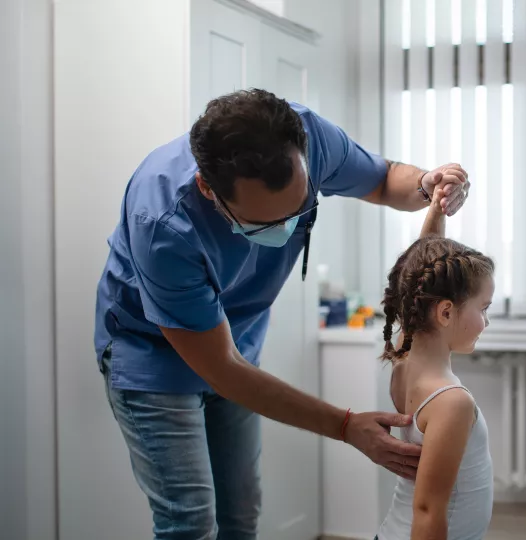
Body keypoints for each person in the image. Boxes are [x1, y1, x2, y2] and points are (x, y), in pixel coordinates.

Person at [93, 88, 470, 539]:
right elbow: (224, 369)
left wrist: (428, 184)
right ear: (207, 190)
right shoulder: (162, 225)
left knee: (242, 510)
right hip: (152, 355)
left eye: (298, 209)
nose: (288, 226)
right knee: (189, 520)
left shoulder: (306, 134)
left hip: (235, 341)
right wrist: (347, 427)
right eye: (266, 223)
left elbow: (386, 180)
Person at [374, 183, 495, 540]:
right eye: (483, 308)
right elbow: (428, 512)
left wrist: (437, 208)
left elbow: (419, 275)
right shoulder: (451, 403)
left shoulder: (403, 363)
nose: (486, 321)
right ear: (445, 312)